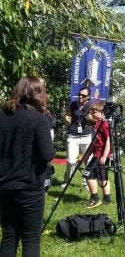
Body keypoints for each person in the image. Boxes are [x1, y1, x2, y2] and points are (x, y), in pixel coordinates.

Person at [0, 76, 56, 256]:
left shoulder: (2, 115)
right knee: (31, 238)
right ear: (38, 94)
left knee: (9, 235)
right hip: (29, 187)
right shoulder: (38, 119)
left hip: (5, 184)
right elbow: (48, 155)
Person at [80, 101, 111, 208]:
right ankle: (107, 200)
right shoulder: (97, 123)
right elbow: (95, 141)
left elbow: (109, 140)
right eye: (91, 111)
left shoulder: (104, 124)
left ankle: (95, 198)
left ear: (101, 112)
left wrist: (104, 155)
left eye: (94, 111)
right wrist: (87, 154)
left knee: (88, 175)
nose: (91, 113)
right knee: (102, 177)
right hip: (97, 154)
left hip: (101, 156)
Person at [62, 86, 93, 184]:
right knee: (71, 160)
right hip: (73, 135)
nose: (80, 97)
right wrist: (66, 119)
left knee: (88, 161)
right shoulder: (73, 104)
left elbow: (96, 121)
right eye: (79, 94)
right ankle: (67, 180)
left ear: (88, 97)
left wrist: (91, 119)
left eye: (83, 95)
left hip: (86, 136)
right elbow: (68, 117)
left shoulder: (91, 106)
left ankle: (87, 181)